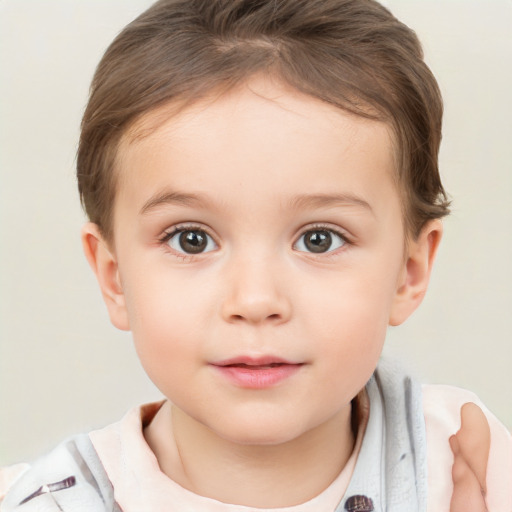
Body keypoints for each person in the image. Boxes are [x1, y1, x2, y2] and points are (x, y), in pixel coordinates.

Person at [1, 0, 510, 510]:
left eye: (319, 238)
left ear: (409, 271)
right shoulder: (41, 502)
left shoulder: (463, 460)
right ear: (114, 279)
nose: (256, 299)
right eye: (191, 239)